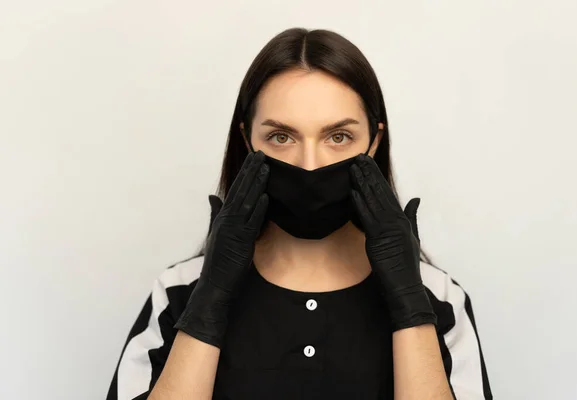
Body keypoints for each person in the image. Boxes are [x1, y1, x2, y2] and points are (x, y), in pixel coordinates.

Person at [107, 28, 492, 400]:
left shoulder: (437, 296)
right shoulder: (180, 290)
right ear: (248, 141)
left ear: (373, 141)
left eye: (338, 137)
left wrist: (409, 302)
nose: (309, 165)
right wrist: (211, 297)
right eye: (281, 137)